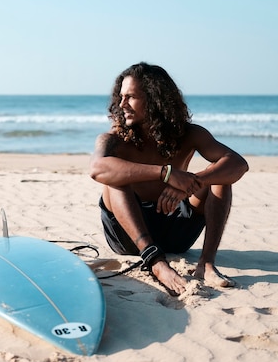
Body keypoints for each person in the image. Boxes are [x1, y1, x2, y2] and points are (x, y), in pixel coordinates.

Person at [90, 62, 249, 296]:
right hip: (129, 237)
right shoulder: (114, 139)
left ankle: (206, 263)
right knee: (114, 178)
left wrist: (193, 182)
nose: (122, 104)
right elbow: (97, 168)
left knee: (219, 176)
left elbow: (238, 164)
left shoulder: (190, 134)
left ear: (155, 99)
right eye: (121, 97)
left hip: (174, 229)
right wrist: (166, 173)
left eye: (131, 97)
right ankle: (155, 262)